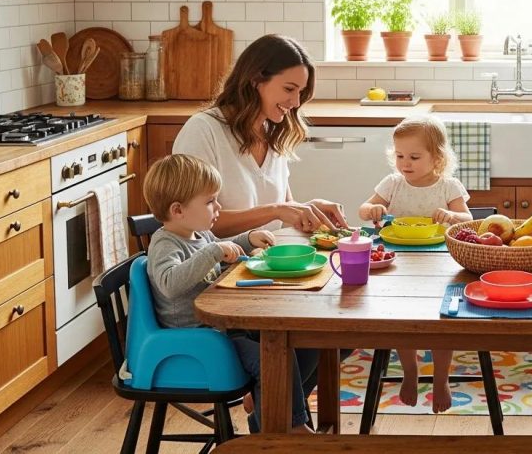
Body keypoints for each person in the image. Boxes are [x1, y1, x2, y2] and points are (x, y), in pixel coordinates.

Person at [143, 154, 317, 433]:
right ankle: (291, 427)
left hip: (223, 329)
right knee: (271, 359)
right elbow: (169, 283)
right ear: (178, 210)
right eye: (210, 201)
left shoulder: (199, 234)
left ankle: (266, 418)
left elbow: (223, 246)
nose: (218, 207)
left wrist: (247, 240)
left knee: (294, 342)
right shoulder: (165, 244)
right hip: (197, 342)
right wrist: (213, 253)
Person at [173, 34, 347, 237]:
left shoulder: (273, 132)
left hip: (263, 262)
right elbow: (191, 222)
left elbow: (283, 206)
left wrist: (308, 208)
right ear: (255, 80)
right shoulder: (203, 130)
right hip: (216, 265)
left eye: (301, 91)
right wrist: (276, 211)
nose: (296, 102)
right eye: (289, 89)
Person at [358, 115, 472, 413]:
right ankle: (410, 370)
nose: (404, 163)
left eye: (414, 157)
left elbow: (470, 220)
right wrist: (374, 208)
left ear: (437, 158)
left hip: (438, 264)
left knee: (442, 324)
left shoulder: (448, 187)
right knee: (400, 320)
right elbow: (363, 209)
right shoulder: (393, 183)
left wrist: (451, 216)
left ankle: (441, 378)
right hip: (397, 263)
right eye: (399, 156)